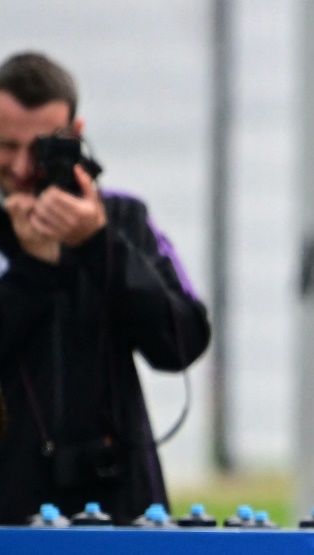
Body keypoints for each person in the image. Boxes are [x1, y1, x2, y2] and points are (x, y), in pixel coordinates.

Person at [0, 51, 209, 524]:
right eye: (6, 146)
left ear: (74, 137)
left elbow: (183, 341)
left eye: (40, 149)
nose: (20, 166)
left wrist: (98, 246)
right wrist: (32, 272)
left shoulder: (122, 222)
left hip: (121, 506)